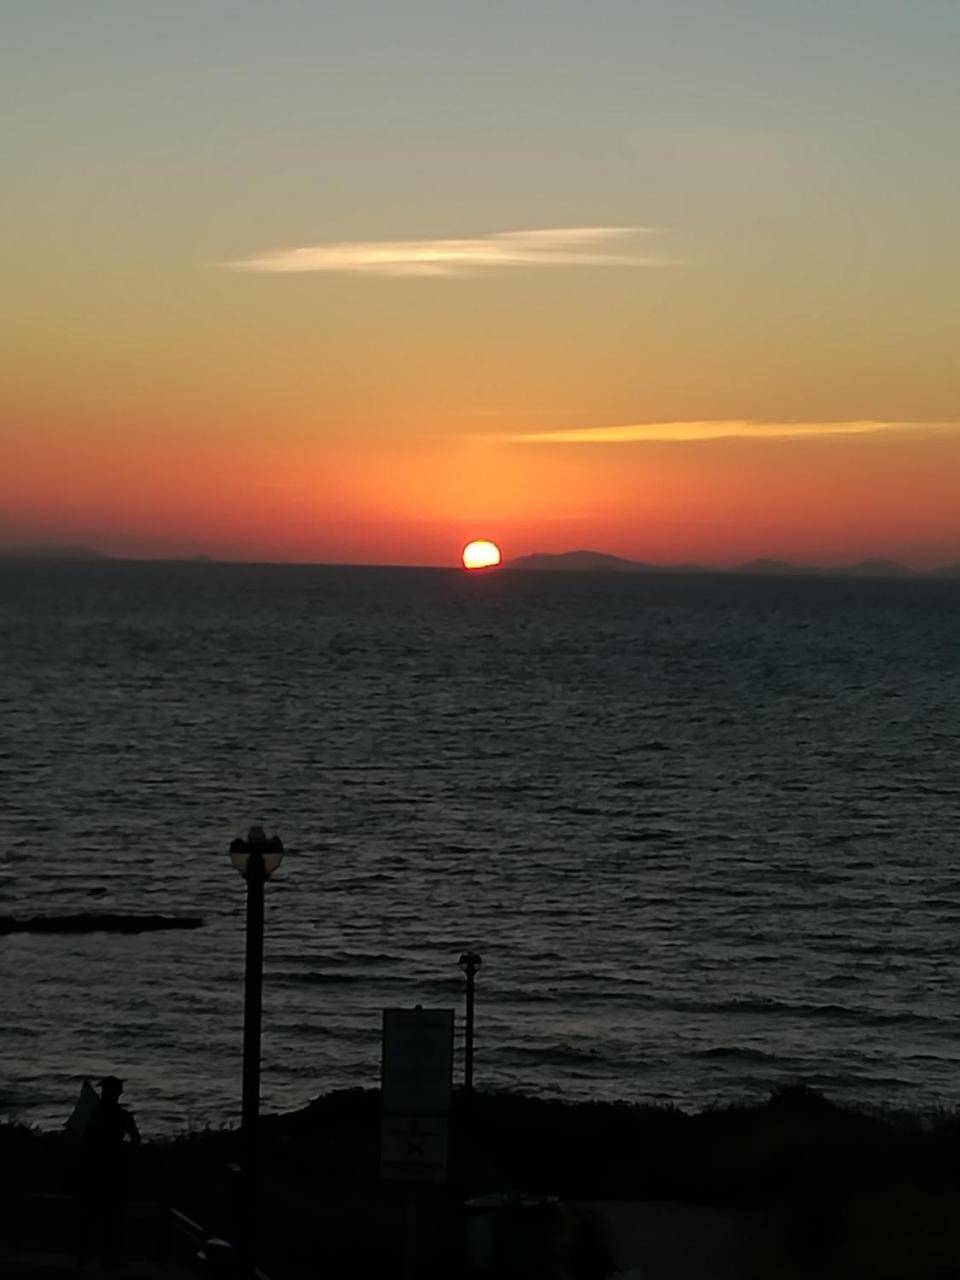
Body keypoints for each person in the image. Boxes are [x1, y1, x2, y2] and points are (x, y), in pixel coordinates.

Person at [78, 1075, 141, 1265]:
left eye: (105, 1090)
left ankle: (90, 1255)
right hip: (114, 1169)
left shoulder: (95, 1113)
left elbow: (85, 1139)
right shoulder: (122, 1115)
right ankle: (106, 1256)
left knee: (94, 1215)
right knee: (111, 1216)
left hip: (97, 1169)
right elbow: (136, 1140)